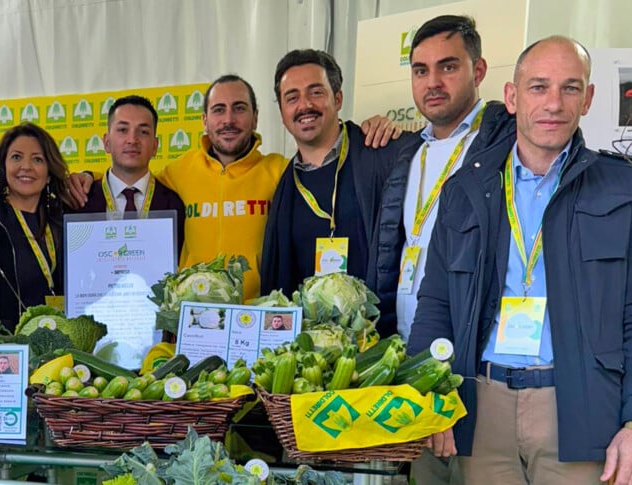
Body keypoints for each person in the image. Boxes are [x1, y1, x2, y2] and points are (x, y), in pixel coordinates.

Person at [409, 36, 632, 485]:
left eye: (570, 88)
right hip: (480, 411)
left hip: (582, 410)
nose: (554, 103)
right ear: (511, 97)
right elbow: (436, 304)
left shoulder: (621, 189)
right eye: (538, 87)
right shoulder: (465, 191)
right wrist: (427, 396)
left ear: (588, 99)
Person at [68, 76, 399, 301]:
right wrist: (86, 177)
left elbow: (327, 162)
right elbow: (131, 175)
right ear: (204, 120)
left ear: (255, 118)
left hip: (258, 317)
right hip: (192, 319)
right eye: (218, 110)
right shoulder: (179, 172)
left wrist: (365, 133)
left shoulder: (280, 171)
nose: (228, 120)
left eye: (239, 109)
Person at [366, 15, 516, 484]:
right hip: (412, 360)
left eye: (448, 67)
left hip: (476, 366)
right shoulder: (406, 151)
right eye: (420, 70)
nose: (432, 82)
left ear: (479, 70)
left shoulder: (507, 142)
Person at [260, 49, 414, 296]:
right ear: (282, 113)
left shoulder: (380, 153)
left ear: (338, 99)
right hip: (307, 322)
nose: (305, 105)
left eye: (316, 92)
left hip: (378, 318)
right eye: (292, 98)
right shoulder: (284, 185)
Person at [0, 123, 74, 330]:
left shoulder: (63, 220)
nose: (26, 166)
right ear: (3, 166)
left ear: (49, 172)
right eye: (16, 157)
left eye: (37, 159)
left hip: (56, 335)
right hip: (2, 339)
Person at [73, 95, 185, 253]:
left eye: (143, 132)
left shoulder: (175, 204)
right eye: (123, 130)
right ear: (106, 142)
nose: (132, 140)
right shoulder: (79, 199)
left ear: (155, 146)